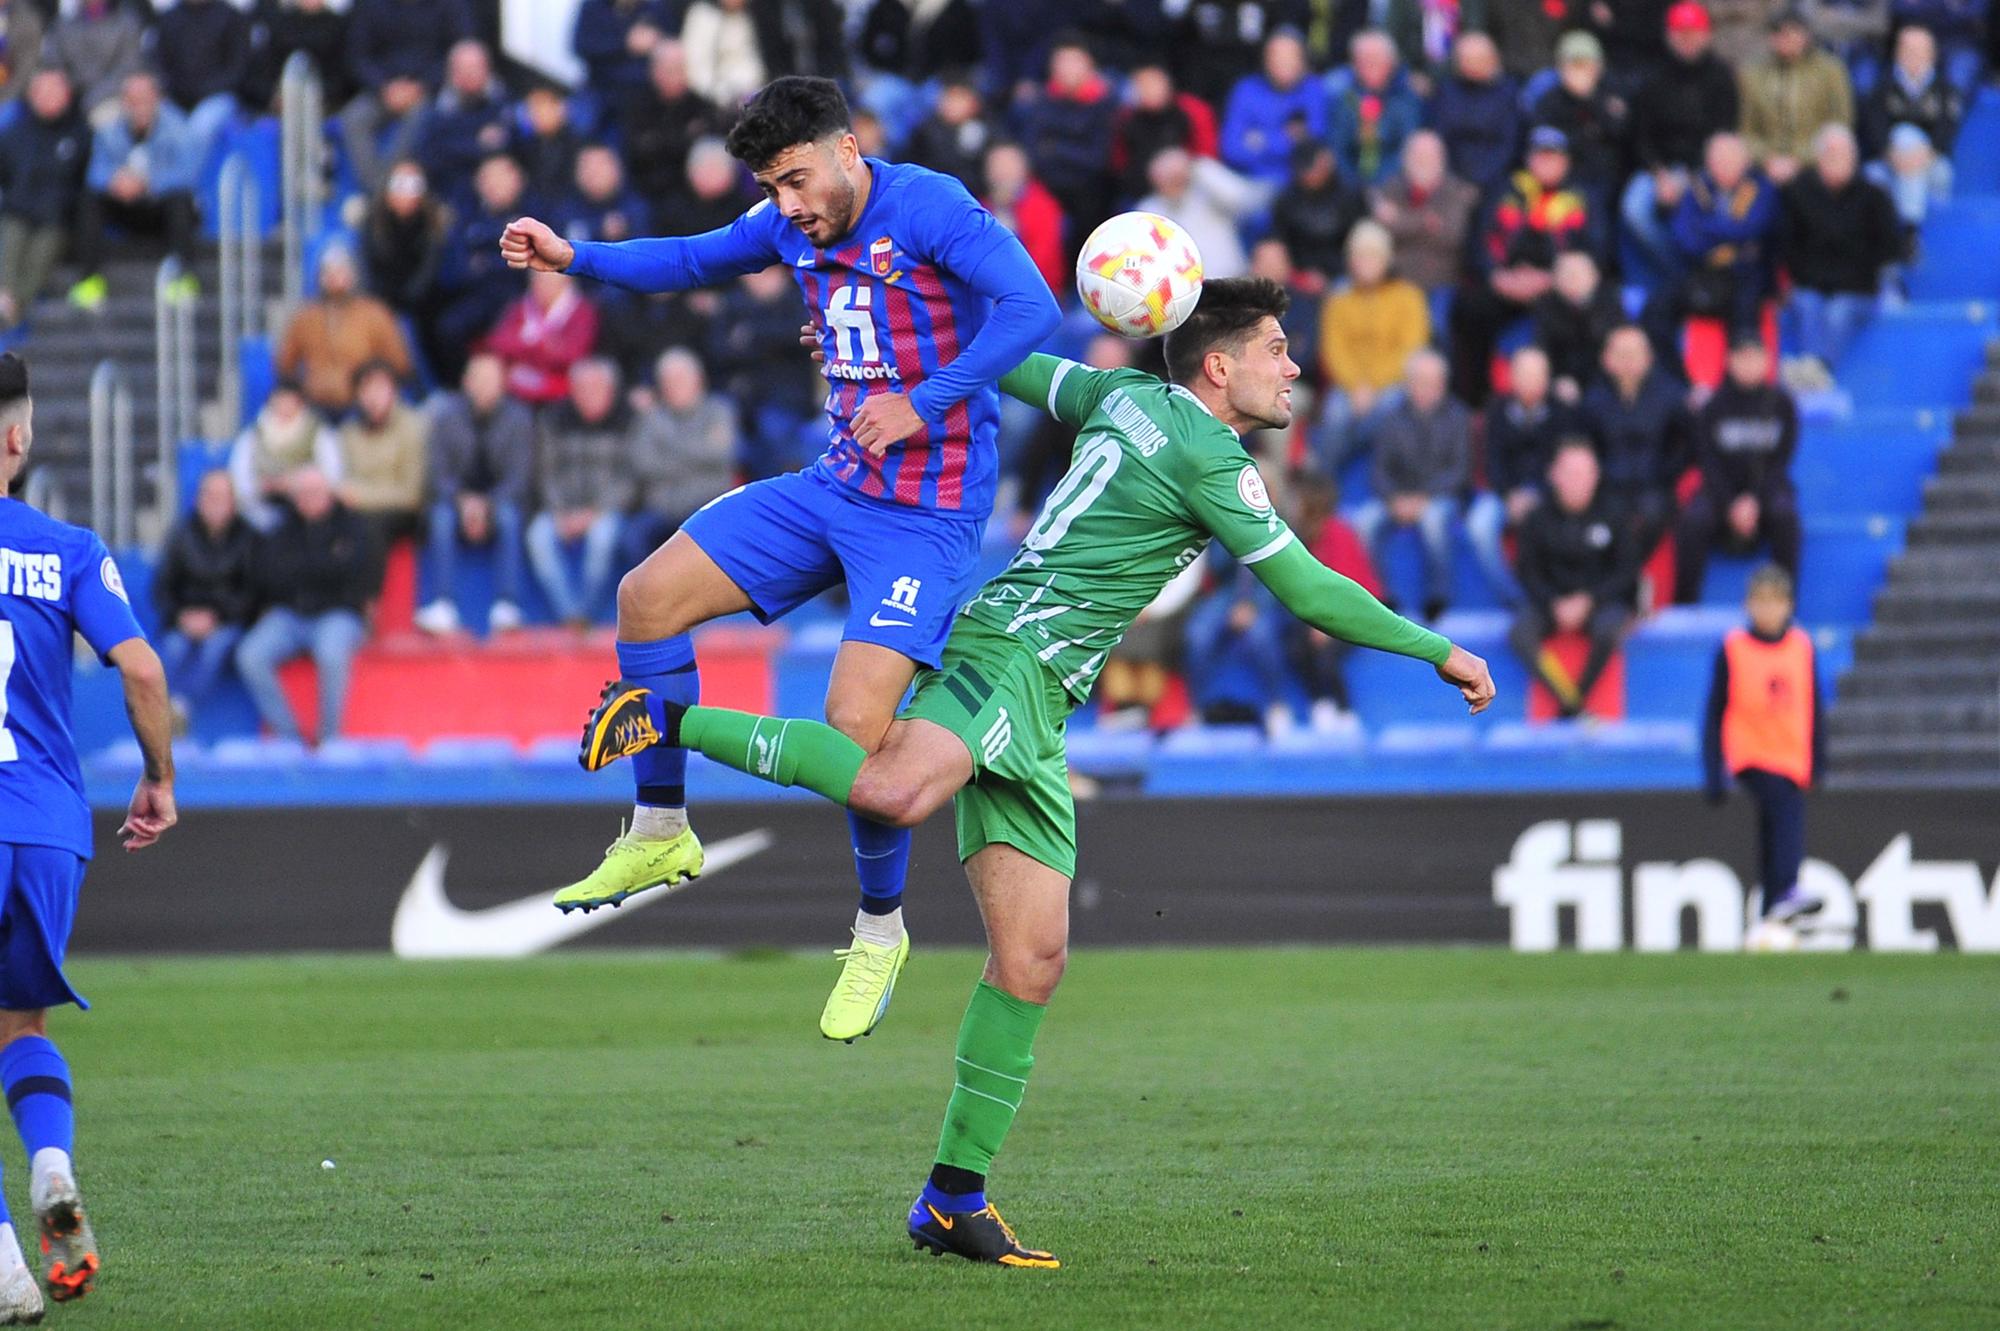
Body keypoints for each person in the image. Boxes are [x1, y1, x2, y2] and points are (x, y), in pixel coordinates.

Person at [577, 278, 1495, 1265]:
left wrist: (887, 330)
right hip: (1005, 654)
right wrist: (1435, 648)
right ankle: (662, 719)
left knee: (1032, 958)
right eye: (1276, 348)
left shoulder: (1117, 397)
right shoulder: (1211, 457)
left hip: (1043, 701)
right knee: (892, 786)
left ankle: (949, 1198)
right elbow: (1306, 586)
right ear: (1217, 363)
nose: (1293, 368)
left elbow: (1001, 364)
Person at [499, 76, 1060, 1039]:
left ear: (849, 148)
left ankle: (879, 929)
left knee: (854, 725)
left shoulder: (928, 204)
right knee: (647, 597)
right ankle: (661, 831)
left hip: (924, 515)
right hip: (833, 484)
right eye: (771, 184)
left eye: (796, 178)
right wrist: (572, 255)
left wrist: (924, 402)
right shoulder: (789, 223)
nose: (786, 203)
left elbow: (1031, 310)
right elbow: (688, 260)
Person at [0, 351, 175, 1320]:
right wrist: (158, 776)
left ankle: (6, 1270)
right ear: (19, 439)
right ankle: (53, 1164)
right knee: (19, 1022)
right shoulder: (68, 546)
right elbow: (143, 671)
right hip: (49, 828)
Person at [1702, 563, 1825, 928]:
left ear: (1789, 605)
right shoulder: (1734, 648)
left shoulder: (1801, 646)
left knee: (1773, 831)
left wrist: (1818, 759)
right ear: (1748, 606)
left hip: (1791, 757)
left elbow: (1814, 706)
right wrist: (1713, 769)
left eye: (1775, 602)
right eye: (1760, 601)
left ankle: (1770, 913)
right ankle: (1788, 888)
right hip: (1751, 754)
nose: (1768, 610)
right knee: (1784, 809)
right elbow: (1714, 711)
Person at [1450, 125, 1599, 403]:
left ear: (1566, 161)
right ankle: (1474, 401)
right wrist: (1497, 277)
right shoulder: (1505, 190)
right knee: (1468, 309)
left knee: (1578, 316)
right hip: (1507, 285)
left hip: (1557, 289)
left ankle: (1558, 397)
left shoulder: (1584, 197)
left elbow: (1596, 250)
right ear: (1528, 159)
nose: (1546, 163)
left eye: (1553, 157)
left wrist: (1552, 279)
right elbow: (1479, 241)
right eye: (1540, 156)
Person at [234, 466, 376, 744]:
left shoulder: (353, 526)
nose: (309, 499)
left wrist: (306, 571)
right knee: (249, 655)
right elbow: (270, 575)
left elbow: (356, 571)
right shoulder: (283, 529)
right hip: (291, 614)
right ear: (295, 498)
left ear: (330, 494)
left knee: (332, 654)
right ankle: (290, 738)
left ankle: (329, 739)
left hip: (339, 613)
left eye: (316, 492)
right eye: (303, 493)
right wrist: (325, 566)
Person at [1509, 439, 1637, 720]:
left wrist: (1589, 600)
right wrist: (1554, 603)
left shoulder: (1614, 514)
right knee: (1519, 634)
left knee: (1610, 629)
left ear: (1596, 476)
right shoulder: (1537, 519)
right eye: (1571, 473)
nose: (1578, 482)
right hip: (1551, 603)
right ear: (1554, 475)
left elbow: (1626, 571)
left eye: (1585, 473)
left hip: (1599, 602)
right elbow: (1527, 571)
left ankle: (1575, 699)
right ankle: (1568, 698)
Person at [1353, 348, 1476, 621]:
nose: (1427, 389)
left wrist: (1423, 499)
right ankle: (1380, 595)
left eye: (1433, 383)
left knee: (1433, 520)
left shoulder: (1459, 417)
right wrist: (1395, 499)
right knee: (1363, 523)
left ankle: (1438, 595)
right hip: (1397, 497)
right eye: (1420, 382)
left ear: (1444, 384)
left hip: (1440, 497)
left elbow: (1460, 471)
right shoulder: (1391, 418)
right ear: (1408, 384)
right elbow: (1379, 469)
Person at [415, 351, 532, 635]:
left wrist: (487, 504)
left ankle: (507, 604)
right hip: (456, 501)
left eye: (492, 380)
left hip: (500, 501)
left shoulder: (519, 418)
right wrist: (464, 502)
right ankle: (443, 603)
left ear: (503, 383)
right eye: (479, 379)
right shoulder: (445, 416)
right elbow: (437, 475)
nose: (484, 386)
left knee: (509, 517)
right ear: (466, 382)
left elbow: (519, 478)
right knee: (440, 517)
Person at [1624, 2, 1742, 283]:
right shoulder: (1652, 76)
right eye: (1680, 33)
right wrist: (1659, 173)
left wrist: (1696, 176)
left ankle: (1710, 280)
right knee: (1634, 209)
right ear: (1669, 35)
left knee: (1722, 214)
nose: (1687, 40)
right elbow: (1640, 136)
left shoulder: (1721, 75)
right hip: (1661, 168)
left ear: (1707, 35)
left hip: (1708, 168)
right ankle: (1676, 277)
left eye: (1693, 32)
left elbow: (1727, 133)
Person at [1677, 337, 1801, 601]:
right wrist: (1731, 504)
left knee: (1786, 517)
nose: (1748, 365)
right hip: (1719, 490)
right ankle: (1685, 604)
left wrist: (1754, 501)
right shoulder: (1712, 407)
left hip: (1768, 488)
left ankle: (1784, 603)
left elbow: (1782, 461)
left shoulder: (1782, 404)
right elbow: (1707, 461)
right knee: (1692, 521)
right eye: (1741, 357)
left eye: (1754, 357)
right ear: (1729, 361)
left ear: (1767, 361)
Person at [1779, 123, 1901, 382]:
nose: (1838, 163)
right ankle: (1814, 371)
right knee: (1807, 303)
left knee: (1838, 311)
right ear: (1819, 159)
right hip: (1812, 282)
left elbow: (1888, 248)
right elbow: (1789, 247)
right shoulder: (1798, 193)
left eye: (1845, 157)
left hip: (1856, 288)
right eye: (1832, 157)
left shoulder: (1874, 197)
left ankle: (1818, 371)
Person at [69, 71, 200, 311]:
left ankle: (183, 276)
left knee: (181, 201)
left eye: (145, 99)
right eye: (132, 100)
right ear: (124, 102)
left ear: (158, 99)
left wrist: (148, 183)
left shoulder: (178, 127)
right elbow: (95, 172)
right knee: (89, 200)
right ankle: (89, 280)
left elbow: (188, 173)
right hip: (126, 205)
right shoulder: (109, 129)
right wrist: (115, 180)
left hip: (160, 206)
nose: (139, 106)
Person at [1314, 220, 1429, 476]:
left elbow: (1411, 350)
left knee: (1389, 409)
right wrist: (1356, 385)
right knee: (1334, 416)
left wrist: (1373, 385)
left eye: (1373, 257)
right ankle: (1323, 485)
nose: (1365, 263)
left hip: (1394, 382)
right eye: (1359, 256)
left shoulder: (1408, 297)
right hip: (1349, 385)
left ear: (1387, 260)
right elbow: (1333, 349)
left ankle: (1375, 483)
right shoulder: (1339, 298)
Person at [526, 358, 635, 627]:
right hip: (562, 510)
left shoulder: (629, 421)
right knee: (537, 536)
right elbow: (546, 473)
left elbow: (631, 479)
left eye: (596, 388)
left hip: (606, 510)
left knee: (602, 537)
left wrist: (593, 513)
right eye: (582, 388)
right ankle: (570, 614)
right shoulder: (553, 421)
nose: (588, 395)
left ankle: (586, 611)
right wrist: (561, 512)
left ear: (611, 390)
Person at [153, 468, 258, 730]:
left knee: (215, 647)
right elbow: (162, 588)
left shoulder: (248, 537)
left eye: (221, 496)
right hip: (185, 619)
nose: (214, 503)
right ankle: (162, 712)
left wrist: (217, 617)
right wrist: (183, 616)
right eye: (209, 495)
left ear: (234, 501)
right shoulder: (180, 535)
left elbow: (253, 592)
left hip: (227, 622)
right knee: (173, 648)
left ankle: (178, 709)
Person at [339, 0, 473, 194]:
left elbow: (454, 52)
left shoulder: (447, 6)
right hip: (382, 89)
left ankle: (386, 194)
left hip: (427, 91)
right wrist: (384, 87)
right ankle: (381, 191)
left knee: (420, 120)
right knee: (353, 118)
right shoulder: (371, 6)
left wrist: (421, 86)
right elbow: (358, 56)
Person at [1581, 324, 1693, 555]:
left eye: (1634, 354)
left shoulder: (1672, 395)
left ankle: (1626, 578)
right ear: (1606, 359)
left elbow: (1691, 441)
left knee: (1652, 515)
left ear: (1649, 357)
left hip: (1655, 486)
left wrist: (1668, 470)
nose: (1628, 361)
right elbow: (1585, 446)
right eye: (1621, 354)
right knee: (1598, 527)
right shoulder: (1592, 401)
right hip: (1607, 488)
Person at [623, 348, 739, 568]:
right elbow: (643, 464)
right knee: (634, 537)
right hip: (662, 509)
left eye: (680, 379)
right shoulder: (652, 417)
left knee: (717, 537)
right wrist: (697, 456)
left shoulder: (719, 410)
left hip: (707, 507)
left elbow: (721, 455)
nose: (673, 386)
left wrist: (667, 444)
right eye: (667, 380)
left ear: (698, 379)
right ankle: (651, 599)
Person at [1659, 131, 1780, 343]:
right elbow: (1684, 237)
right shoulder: (1697, 188)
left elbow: (1751, 228)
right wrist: (1728, 236)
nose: (1723, 166)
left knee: (1746, 307)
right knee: (1658, 307)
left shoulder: (1761, 187)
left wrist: (1705, 227)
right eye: (1717, 161)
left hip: (1746, 278)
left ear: (1746, 162)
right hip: (1701, 273)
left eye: (1730, 160)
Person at [275, 242, 413, 416]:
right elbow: (285, 366)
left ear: (353, 275)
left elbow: (399, 365)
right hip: (316, 407)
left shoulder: (375, 314)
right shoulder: (305, 318)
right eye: (328, 272)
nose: (334, 278)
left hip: (361, 409)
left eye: (340, 271)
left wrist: (372, 387)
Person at [1288, 472, 1380, 732]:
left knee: (1327, 656)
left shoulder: (1338, 533)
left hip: (1357, 614)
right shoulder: (1303, 536)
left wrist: (1325, 625)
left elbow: (1348, 588)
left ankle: (1346, 711)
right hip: (1321, 617)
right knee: (1295, 647)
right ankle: (1320, 703)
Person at [0, 69, 89, 329]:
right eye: (42, 92)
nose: (48, 98)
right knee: (11, 237)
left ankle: (12, 306)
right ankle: (6, 300)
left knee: (43, 248)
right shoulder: (16, 133)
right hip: (18, 211)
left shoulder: (80, 133)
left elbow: (82, 181)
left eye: (55, 91)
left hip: (57, 217)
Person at [1739, 8, 1854, 186]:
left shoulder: (1830, 71)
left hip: (1817, 166)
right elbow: (1745, 129)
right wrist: (1768, 159)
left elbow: (1841, 123)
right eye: (1777, 32)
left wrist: (1800, 160)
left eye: (1791, 32)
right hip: (1765, 167)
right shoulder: (1753, 74)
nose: (1784, 38)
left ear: (1805, 34)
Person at [1366, 129, 1479, 297]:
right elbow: (1378, 231)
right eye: (1416, 156)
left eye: (1429, 157)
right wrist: (1425, 222)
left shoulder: (1459, 192)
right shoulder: (1391, 187)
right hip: (1394, 280)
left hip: (1441, 283)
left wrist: (1399, 218)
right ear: (1405, 158)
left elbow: (1452, 236)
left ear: (1441, 159)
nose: (1423, 162)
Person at [1484, 346, 1580, 537]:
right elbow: (1493, 460)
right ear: (1512, 377)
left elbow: (1564, 463)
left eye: (1537, 375)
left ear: (1547, 379)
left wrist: (1539, 495)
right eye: (1524, 374)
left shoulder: (1562, 412)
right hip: (1506, 494)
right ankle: (1501, 570)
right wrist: (1509, 495)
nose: (1530, 381)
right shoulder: (1497, 410)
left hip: (1549, 494)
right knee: (1480, 526)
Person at [335, 359, 428, 550]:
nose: (373, 397)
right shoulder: (349, 431)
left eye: (380, 389)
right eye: (366, 390)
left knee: (369, 527)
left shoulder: (413, 427)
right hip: (356, 507)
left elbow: (412, 494)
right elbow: (343, 480)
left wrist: (361, 496)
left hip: (400, 511)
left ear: (394, 392)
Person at [1133, 147, 1264, 281]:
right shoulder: (1149, 209)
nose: (1173, 183)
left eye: (1176, 177)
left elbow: (1244, 201)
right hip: (1184, 288)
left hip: (1231, 279)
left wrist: (1198, 168)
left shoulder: (1207, 191)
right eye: (1167, 179)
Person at [227, 380, 342, 532]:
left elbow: (333, 475)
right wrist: (263, 486)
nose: (285, 406)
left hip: (309, 512)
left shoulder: (319, 433)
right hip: (262, 511)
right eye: (280, 400)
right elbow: (239, 479)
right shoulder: (253, 435)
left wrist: (296, 484)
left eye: (291, 401)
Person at [1220, 29, 1327, 187]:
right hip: (1246, 184)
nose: (1283, 64)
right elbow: (1231, 149)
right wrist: (1285, 138)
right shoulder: (1246, 89)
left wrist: (1258, 140)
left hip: (1296, 189)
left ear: (1303, 61)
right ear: (1265, 60)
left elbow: (1313, 144)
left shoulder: (1314, 90)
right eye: (1276, 57)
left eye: (1290, 57)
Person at [152, 0, 249, 171]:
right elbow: (160, 66)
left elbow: (237, 70)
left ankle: (187, 188)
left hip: (218, 97)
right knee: (159, 123)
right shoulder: (169, 18)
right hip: (177, 98)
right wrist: (176, 91)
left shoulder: (230, 17)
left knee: (199, 129)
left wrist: (202, 90)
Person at [1532, 30, 1630, 199]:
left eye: (1586, 65)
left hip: (1605, 175)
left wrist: (1589, 98)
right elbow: (1544, 139)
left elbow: (1621, 134)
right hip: (1563, 174)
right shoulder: (1549, 100)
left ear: (1599, 67)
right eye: (1574, 65)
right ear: (1560, 68)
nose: (1580, 72)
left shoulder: (1613, 92)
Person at [480, 268, 599, 407]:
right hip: (518, 382)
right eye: (539, 281)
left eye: (550, 282)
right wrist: (544, 346)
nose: (543, 287)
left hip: (561, 386)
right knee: (487, 369)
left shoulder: (581, 311)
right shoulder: (519, 307)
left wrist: (527, 346)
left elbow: (572, 354)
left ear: (566, 284)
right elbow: (499, 342)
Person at [413, 39, 511, 202]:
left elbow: (514, 147)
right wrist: (478, 144)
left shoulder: (504, 103)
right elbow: (428, 156)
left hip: (498, 199)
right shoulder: (436, 112)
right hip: (449, 195)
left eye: (476, 68)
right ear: (452, 73)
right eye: (465, 69)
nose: (471, 74)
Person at [1108, 62, 1219, 204]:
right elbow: (1119, 164)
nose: (1149, 90)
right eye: (1142, 85)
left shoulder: (1191, 110)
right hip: (1144, 195)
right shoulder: (1126, 118)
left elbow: (1207, 159)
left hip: (1192, 190)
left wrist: (1179, 170)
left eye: (1154, 83)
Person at [1426, 32, 1522, 195]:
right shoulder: (1447, 92)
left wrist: (1480, 179)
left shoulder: (1509, 94)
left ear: (1493, 59)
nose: (1471, 65)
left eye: (1478, 59)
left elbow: (1508, 145)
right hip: (1450, 180)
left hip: (1495, 180)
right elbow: (1439, 137)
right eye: (1466, 59)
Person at [1329, 29, 1423, 188]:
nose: (1369, 66)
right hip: (1350, 185)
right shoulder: (1344, 99)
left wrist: (1380, 183)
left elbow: (1407, 148)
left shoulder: (1406, 99)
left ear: (1391, 62)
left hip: (1395, 185)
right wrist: (1354, 182)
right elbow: (1337, 147)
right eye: (1363, 60)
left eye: (1376, 60)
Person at [1533, 251, 1626, 402]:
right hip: (1563, 385)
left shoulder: (1611, 303)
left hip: (1605, 383)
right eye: (1566, 275)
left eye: (1578, 274)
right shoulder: (1546, 306)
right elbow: (1543, 350)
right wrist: (1556, 381)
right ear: (1555, 281)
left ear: (1595, 276)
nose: (1573, 280)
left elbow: (1616, 350)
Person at [1270, 140, 1364, 284]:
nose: (1313, 174)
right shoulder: (1286, 200)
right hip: (1299, 275)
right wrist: (1301, 275)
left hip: (1345, 273)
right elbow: (1281, 244)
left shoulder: (1351, 194)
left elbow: (1359, 241)